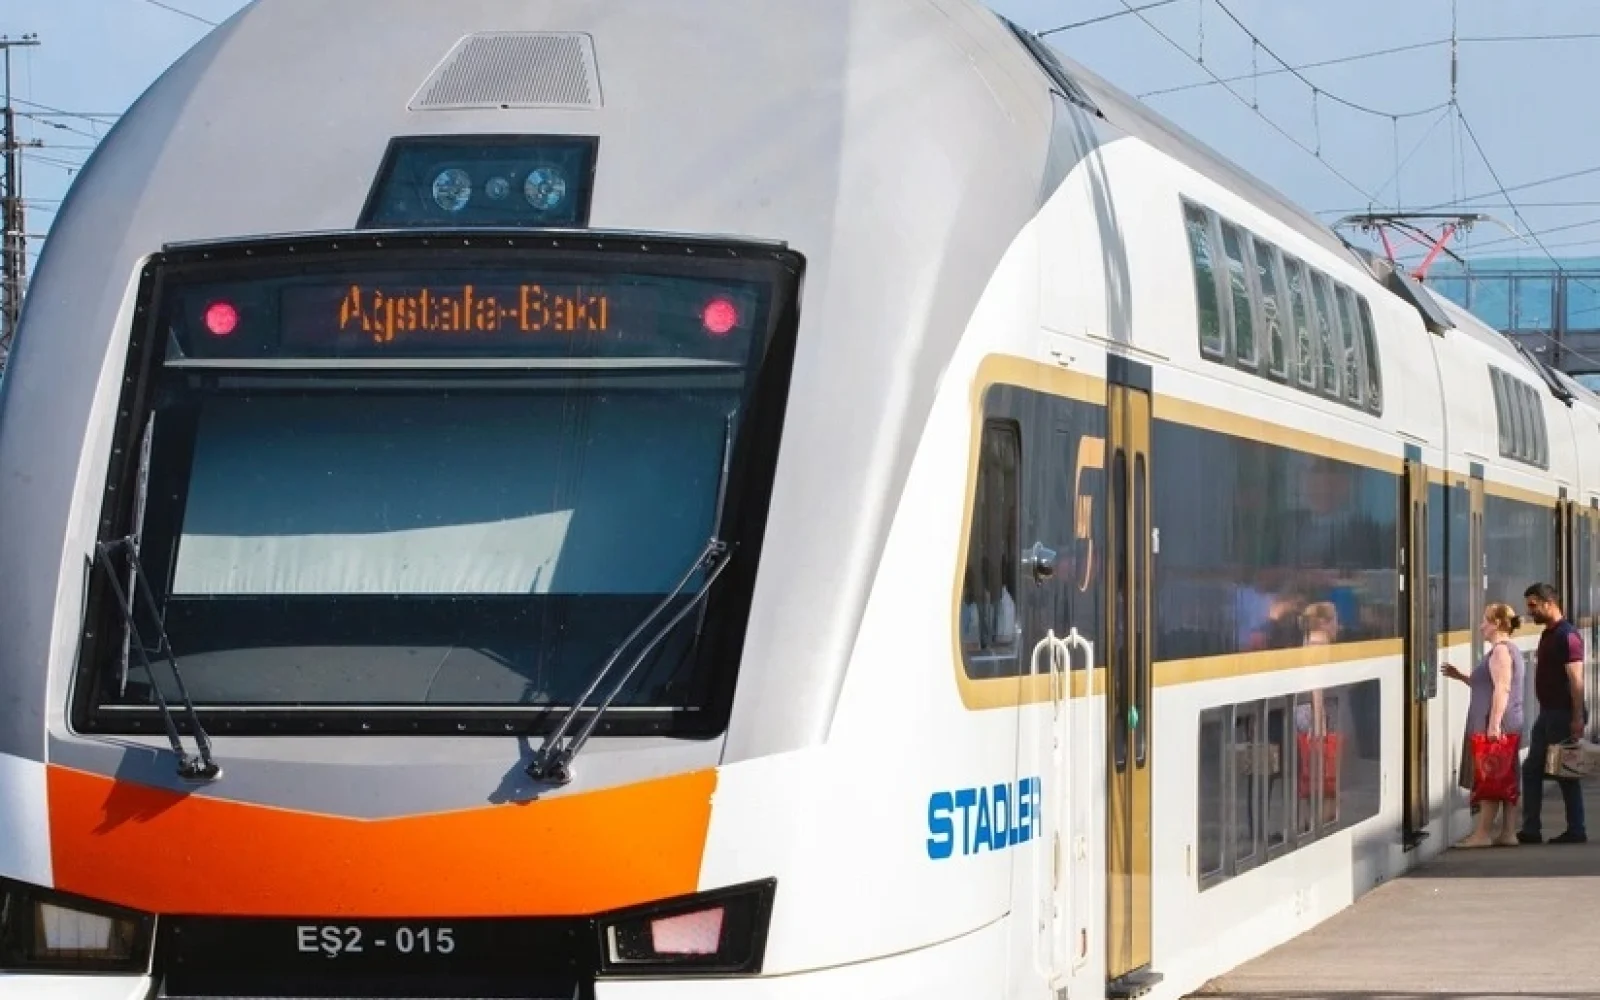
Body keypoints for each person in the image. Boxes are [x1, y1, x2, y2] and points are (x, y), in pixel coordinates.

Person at [1441, 603, 1526, 847]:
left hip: (1496, 721)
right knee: (1506, 776)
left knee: (1490, 775)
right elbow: (1488, 684)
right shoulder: (1509, 650)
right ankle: (1508, 833)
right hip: (1508, 721)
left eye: (1485, 621)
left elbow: (1502, 687)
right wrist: (1461, 676)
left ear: (1497, 624)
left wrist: (1494, 724)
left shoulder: (1500, 651)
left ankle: (1482, 834)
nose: (1481, 626)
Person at [1518, 582, 1589, 845]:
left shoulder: (1567, 636)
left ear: (1549, 603)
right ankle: (1531, 829)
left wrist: (1577, 717)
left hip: (1563, 713)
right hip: (1548, 713)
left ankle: (1576, 829)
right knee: (1532, 769)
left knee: (1564, 772)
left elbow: (1576, 680)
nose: (1530, 611)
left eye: (1533, 605)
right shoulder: (1548, 634)